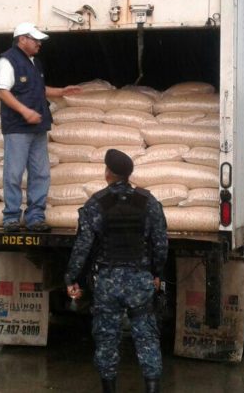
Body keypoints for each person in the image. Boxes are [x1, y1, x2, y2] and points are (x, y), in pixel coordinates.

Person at [65, 149, 168, 393]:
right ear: (129, 174)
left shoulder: (96, 203)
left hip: (107, 282)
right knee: (147, 338)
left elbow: (83, 246)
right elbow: (161, 243)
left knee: (106, 340)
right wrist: (157, 274)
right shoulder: (148, 202)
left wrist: (73, 278)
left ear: (108, 172)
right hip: (139, 281)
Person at [0, 22, 81, 233]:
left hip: (38, 126)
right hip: (17, 127)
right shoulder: (8, 60)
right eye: (35, 40)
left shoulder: (35, 62)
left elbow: (38, 89)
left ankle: (35, 217)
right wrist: (24, 111)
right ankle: (11, 217)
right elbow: (3, 91)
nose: (39, 43)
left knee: (40, 173)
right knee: (14, 173)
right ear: (22, 39)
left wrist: (61, 91)